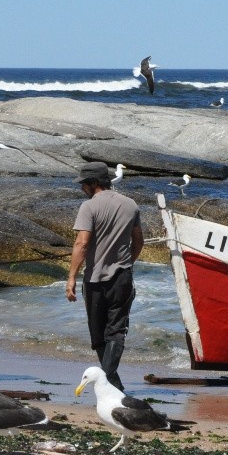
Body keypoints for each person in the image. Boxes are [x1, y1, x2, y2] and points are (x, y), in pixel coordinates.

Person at [66, 161, 144, 391]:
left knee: (99, 335)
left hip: (94, 280)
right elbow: (138, 241)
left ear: (93, 183)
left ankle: (106, 383)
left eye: (83, 184)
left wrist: (71, 277)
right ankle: (114, 385)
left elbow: (82, 243)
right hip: (122, 277)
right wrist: (128, 263)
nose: (81, 188)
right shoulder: (130, 204)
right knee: (116, 331)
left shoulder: (89, 207)